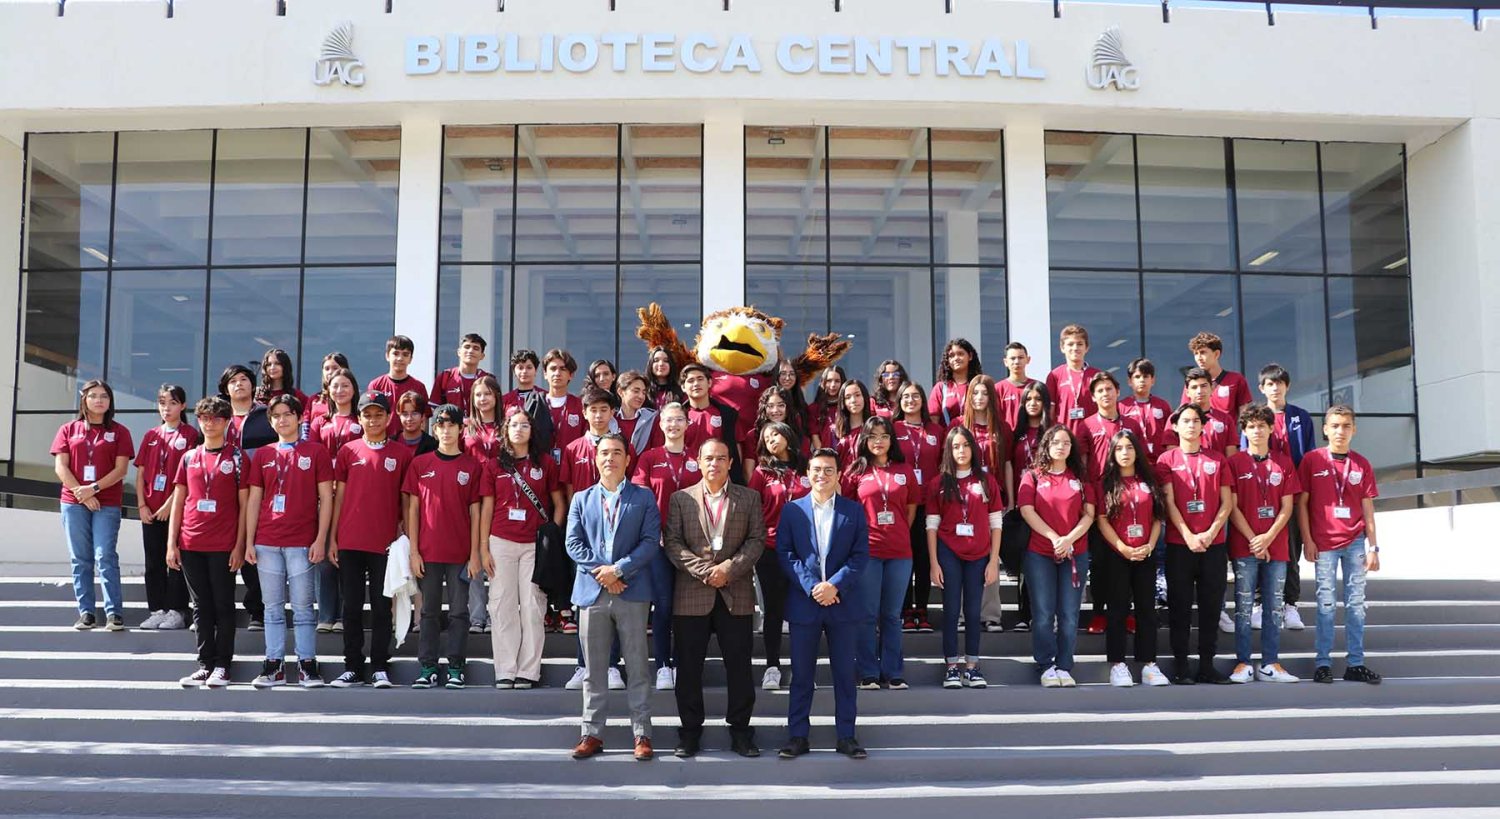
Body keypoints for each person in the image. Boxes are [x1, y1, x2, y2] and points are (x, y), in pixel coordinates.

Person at [662, 438, 766, 758]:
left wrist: (728, 569)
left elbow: (756, 539)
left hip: (735, 594)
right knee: (689, 669)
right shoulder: (681, 499)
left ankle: (740, 732)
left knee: (739, 668)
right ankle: (690, 733)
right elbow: (673, 543)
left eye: (721, 458)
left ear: (731, 463)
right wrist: (707, 571)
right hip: (692, 594)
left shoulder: (749, 498)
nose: (715, 464)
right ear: (698, 461)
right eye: (709, 458)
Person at [566, 433, 660, 762]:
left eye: (617, 453)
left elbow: (650, 542)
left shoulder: (643, 498)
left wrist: (618, 571)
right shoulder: (581, 499)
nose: (610, 458)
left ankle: (642, 734)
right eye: (604, 453)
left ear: (627, 459)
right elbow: (573, 544)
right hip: (592, 594)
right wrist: (603, 573)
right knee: (593, 669)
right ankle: (591, 734)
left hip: (631, 591)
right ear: (595, 459)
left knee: (637, 666)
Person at [777, 448, 869, 760]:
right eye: (816, 469)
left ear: (838, 475)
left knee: (845, 674)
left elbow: (860, 557)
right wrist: (813, 586)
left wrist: (834, 585)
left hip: (842, 603)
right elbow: (786, 554)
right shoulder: (792, 511)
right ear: (807, 474)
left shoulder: (853, 511)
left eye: (829, 470)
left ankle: (846, 735)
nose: (822, 475)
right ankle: (798, 736)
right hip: (806, 603)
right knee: (802, 675)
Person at [246, 394, 334, 688]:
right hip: (267, 541)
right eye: (276, 416)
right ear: (271, 422)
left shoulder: (316, 452)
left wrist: (321, 539)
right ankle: (274, 664)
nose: (282, 420)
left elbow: (326, 499)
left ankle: (307, 664)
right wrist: (249, 541)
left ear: (298, 417)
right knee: (271, 608)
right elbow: (254, 500)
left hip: (301, 541)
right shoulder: (263, 454)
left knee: (303, 608)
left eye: (287, 414)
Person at [327, 391, 412, 689]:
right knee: (350, 607)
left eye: (379, 414)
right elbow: (337, 500)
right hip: (350, 541)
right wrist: (333, 538)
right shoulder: (348, 451)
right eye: (367, 414)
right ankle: (352, 666)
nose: (373, 419)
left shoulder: (401, 454)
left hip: (385, 543)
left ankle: (379, 666)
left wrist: (405, 535)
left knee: (380, 606)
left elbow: (406, 500)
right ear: (359, 417)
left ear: (389, 417)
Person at [480, 407, 564, 690]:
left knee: (532, 606)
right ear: (505, 430)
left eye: (524, 425)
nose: (519, 430)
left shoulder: (546, 465)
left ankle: (528, 670)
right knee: (502, 605)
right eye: (514, 425)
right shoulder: (494, 465)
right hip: (500, 541)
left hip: (533, 544)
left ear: (532, 431)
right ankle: (505, 669)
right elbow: (487, 507)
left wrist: (552, 533)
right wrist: (482, 547)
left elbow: (559, 502)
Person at [1297, 405, 1382, 685]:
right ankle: (1323, 663)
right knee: (1326, 604)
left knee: (1356, 604)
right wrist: (1307, 540)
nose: (1340, 431)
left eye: (1346, 426)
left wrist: (1374, 547)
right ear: (1325, 429)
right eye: (1335, 426)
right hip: (1324, 544)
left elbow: (1368, 509)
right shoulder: (1311, 460)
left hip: (1356, 542)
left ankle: (1355, 663)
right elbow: (1302, 504)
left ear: (1354, 429)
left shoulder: (1362, 463)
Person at [166, 396, 247, 688]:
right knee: (200, 606)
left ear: (226, 422)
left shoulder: (237, 458)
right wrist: (171, 543)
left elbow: (245, 505)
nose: (209, 423)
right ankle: (204, 664)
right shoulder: (189, 457)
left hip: (224, 545)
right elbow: (179, 501)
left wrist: (240, 545)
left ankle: (223, 665)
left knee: (223, 605)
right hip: (190, 543)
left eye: (215, 418)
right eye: (204, 418)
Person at [403, 404, 483, 690]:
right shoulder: (420, 464)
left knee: (460, 612)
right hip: (428, 552)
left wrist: (475, 554)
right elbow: (412, 510)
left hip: (461, 554)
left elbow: (476, 513)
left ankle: (456, 667)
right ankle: (427, 666)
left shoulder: (472, 466)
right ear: (433, 429)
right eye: (441, 425)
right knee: (429, 612)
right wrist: (414, 551)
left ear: (461, 429)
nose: (446, 430)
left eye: (452, 425)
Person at [1157, 403, 1234, 685]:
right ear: (1175, 427)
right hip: (1180, 544)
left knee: (1211, 607)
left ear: (1203, 426)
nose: (1190, 425)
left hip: (1214, 545)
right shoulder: (1166, 461)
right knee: (1179, 607)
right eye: (1185, 421)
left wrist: (1212, 532)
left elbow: (1227, 503)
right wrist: (1188, 534)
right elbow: (1168, 502)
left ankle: (1206, 665)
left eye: (1195, 421)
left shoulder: (1217, 460)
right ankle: (1181, 666)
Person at [1226, 404, 1301, 684]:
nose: (1257, 430)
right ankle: (1243, 663)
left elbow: (1287, 506)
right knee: (1244, 607)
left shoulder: (1283, 462)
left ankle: (1271, 663)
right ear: (1244, 431)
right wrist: (1254, 539)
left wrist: (1268, 537)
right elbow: (1231, 507)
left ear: (1271, 428)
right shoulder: (1234, 463)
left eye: (1262, 425)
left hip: (1277, 545)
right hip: (1244, 546)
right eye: (1251, 426)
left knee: (1273, 607)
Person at [842, 416, 919, 690]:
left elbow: (910, 509)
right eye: (872, 436)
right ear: (864, 439)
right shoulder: (855, 472)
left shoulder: (904, 470)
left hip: (900, 551)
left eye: (884, 435)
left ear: (891, 440)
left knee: (892, 615)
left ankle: (893, 671)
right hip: (868, 552)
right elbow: (847, 512)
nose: (878, 441)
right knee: (867, 613)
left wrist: (895, 531)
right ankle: (868, 672)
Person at [630, 402, 702, 690]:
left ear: (687, 424)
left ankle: (683, 662)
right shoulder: (649, 458)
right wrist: (652, 533)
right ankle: (662, 664)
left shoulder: (698, 458)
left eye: (678, 420)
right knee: (662, 604)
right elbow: (642, 498)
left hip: (692, 545)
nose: (673, 425)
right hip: (658, 543)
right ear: (660, 425)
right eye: (668, 420)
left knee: (686, 607)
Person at [1017, 424, 1095, 688]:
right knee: (1042, 613)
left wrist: (1069, 540)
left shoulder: (1080, 478)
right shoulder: (1032, 475)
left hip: (1075, 553)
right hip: (1040, 552)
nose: (1062, 446)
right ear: (1047, 446)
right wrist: (1054, 538)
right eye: (1057, 442)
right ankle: (1046, 664)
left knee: (1070, 613)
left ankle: (1064, 665)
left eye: (1067, 443)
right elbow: (1027, 510)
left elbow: (1089, 515)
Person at [926, 426, 1004, 689]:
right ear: (949, 450)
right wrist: (934, 562)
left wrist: (994, 561)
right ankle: (951, 666)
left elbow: (996, 523)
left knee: (972, 611)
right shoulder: (938, 483)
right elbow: (931, 526)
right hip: (948, 551)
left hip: (979, 553)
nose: (961, 451)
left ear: (973, 448)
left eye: (965, 445)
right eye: (956, 446)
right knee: (950, 611)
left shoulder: (986, 480)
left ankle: (972, 666)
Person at [54, 379, 135, 631]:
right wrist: (82, 493)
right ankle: (86, 612)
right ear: (84, 400)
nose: (99, 400)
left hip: (106, 502)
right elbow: (60, 466)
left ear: (110, 402)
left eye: (104, 396)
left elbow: (121, 470)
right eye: (93, 395)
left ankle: (114, 613)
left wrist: (93, 489)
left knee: (105, 555)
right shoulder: (68, 429)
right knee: (80, 558)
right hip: (73, 502)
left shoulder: (120, 432)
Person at [561, 387, 628, 688]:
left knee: (613, 599)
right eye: (593, 410)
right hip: (584, 533)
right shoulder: (574, 448)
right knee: (585, 601)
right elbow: (566, 490)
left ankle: (612, 665)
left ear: (612, 412)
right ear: (584, 413)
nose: (598, 415)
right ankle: (582, 664)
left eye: (604, 409)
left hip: (615, 528)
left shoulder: (619, 446)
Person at [1095, 429, 1168, 687]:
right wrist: (1122, 548)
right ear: (1112, 453)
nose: (1125, 453)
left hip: (1145, 554)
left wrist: (1149, 544)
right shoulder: (1105, 483)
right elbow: (1101, 520)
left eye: (1129, 447)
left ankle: (1149, 664)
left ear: (1137, 451)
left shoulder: (1148, 482)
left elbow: (1157, 518)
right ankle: (1118, 664)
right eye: (1119, 448)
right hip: (1117, 555)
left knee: (1147, 611)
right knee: (1117, 610)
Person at [1079, 371, 1147, 636]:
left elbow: (1140, 460)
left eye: (1109, 389)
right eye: (1100, 391)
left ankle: (1127, 613)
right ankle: (1099, 613)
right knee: (1100, 562)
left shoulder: (1131, 423)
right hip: (1099, 499)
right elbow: (1082, 464)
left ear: (1118, 392)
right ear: (1093, 397)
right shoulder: (1086, 425)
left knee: (1129, 558)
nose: (1105, 394)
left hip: (1129, 498)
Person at [1251, 363, 1316, 631]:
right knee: (1259, 549)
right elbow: (1248, 456)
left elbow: (1310, 457)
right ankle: (1259, 605)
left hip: (1294, 494)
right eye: (1269, 383)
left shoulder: (1300, 417)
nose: (1275, 388)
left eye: (1279, 383)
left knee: (1290, 551)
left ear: (1287, 386)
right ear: (1262, 388)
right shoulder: (1255, 419)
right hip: (1262, 497)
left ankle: (1290, 605)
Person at [748, 421, 808, 690]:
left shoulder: (807, 468)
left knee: (801, 610)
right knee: (772, 611)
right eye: (767, 436)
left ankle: (802, 667)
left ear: (788, 435)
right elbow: (752, 510)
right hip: (770, 550)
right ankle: (772, 665)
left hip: (804, 551)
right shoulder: (762, 473)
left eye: (776, 433)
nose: (772, 439)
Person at [134, 384, 198, 631]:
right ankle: (157, 609)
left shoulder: (190, 435)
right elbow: (140, 474)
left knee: (175, 561)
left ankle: (176, 611)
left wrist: (170, 504)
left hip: (175, 510)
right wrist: (141, 505)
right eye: (162, 403)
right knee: (153, 562)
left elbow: (188, 477)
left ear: (182, 405)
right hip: (149, 510)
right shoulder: (151, 435)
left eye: (172, 403)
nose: (167, 408)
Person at [310, 367, 361, 632]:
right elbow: (314, 454)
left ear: (354, 389)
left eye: (345, 385)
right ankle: (326, 615)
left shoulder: (362, 419)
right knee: (324, 559)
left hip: (353, 495)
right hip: (324, 493)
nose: (340, 391)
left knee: (346, 556)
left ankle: (344, 614)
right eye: (335, 386)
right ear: (328, 390)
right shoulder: (321, 421)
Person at [218, 364, 269, 631]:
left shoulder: (264, 415)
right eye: (233, 380)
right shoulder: (217, 417)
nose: (239, 384)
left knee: (253, 554)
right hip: (221, 495)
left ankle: (257, 611)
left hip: (256, 493)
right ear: (226, 388)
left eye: (244, 379)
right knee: (222, 553)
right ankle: (218, 610)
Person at [1000, 381, 1052, 633]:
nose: (1033, 403)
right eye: (1028, 399)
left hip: (1046, 506)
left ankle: (1040, 614)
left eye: (1038, 399)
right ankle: (1024, 614)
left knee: (1040, 561)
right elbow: (1009, 465)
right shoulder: (1016, 432)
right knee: (1024, 561)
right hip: (1023, 505)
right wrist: (1010, 500)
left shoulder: (1051, 432)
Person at [893, 382, 943, 634]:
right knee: (903, 557)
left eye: (915, 396)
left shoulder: (936, 430)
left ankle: (921, 609)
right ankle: (903, 608)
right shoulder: (893, 429)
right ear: (899, 401)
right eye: (906, 397)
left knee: (924, 558)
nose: (911, 400)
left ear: (923, 401)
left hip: (929, 503)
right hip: (901, 503)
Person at [463, 374, 505, 635]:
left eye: (487, 393)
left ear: (496, 396)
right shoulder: (466, 426)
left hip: (500, 497)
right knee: (475, 556)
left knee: (497, 556)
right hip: (471, 496)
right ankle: (477, 616)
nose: (482, 399)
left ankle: (496, 614)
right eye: (478, 394)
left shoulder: (506, 425)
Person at [679, 363, 745, 482]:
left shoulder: (727, 414)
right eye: (691, 380)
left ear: (709, 382)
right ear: (683, 387)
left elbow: (737, 448)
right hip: (685, 478)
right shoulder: (677, 416)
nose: (696, 384)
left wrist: (734, 475)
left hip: (719, 478)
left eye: (700, 379)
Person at [1178, 331, 1253, 416]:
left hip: (1228, 428)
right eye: (1196, 353)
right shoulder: (1192, 383)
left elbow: (1245, 416)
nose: (1199, 358)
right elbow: (1185, 413)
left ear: (1216, 354)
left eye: (1203, 352)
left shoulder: (1236, 380)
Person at [367, 335, 426, 439]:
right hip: (384, 442)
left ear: (410, 359)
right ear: (387, 356)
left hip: (410, 443)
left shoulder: (419, 387)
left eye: (405, 354)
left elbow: (424, 420)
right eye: (395, 353)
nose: (400, 358)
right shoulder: (376, 385)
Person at [1046, 324, 1100, 438]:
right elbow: (1050, 412)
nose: (1075, 348)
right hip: (1064, 438)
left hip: (1092, 437)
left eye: (1079, 344)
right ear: (1062, 348)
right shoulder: (1054, 375)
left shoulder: (1096, 375)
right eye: (1070, 344)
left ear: (1087, 347)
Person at [500, 348, 556, 457]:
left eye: (529, 367)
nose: (524, 371)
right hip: (512, 455)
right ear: (514, 371)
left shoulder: (545, 397)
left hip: (539, 454)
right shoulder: (505, 400)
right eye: (520, 368)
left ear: (536, 370)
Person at [1176, 367, 1240, 459]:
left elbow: (1231, 457)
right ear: (1187, 392)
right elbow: (1172, 455)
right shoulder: (1177, 418)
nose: (1199, 391)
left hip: (1219, 472)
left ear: (1212, 388)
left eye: (1204, 386)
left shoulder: (1226, 419)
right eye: (1194, 387)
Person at [1119, 358, 1174, 460]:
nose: (1142, 380)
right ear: (1130, 381)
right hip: (1134, 463)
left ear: (1152, 380)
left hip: (1160, 462)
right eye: (1137, 377)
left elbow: (1171, 437)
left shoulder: (1162, 405)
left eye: (1145, 376)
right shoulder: (1121, 406)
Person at [429, 333, 490, 418]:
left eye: (476, 348)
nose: (470, 351)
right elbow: (435, 410)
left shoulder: (488, 380)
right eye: (467, 347)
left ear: (482, 356)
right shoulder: (445, 376)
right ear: (459, 352)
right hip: (451, 429)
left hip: (478, 429)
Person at [542, 348, 585, 464]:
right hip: (541, 471)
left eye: (563, 369)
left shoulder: (580, 406)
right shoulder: (536, 404)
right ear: (545, 374)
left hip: (571, 469)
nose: (557, 373)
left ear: (571, 375)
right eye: (553, 369)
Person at [613, 370, 658, 470]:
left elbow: (656, 454)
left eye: (644, 392)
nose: (641, 396)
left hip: (643, 479)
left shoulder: (652, 419)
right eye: (636, 391)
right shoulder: (610, 419)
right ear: (621, 392)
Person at [828, 379, 872, 464]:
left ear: (865, 397)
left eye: (857, 395)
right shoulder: (834, 430)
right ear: (843, 402)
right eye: (848, 397)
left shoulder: (873, 428)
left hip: (867, 476)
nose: (853, 400)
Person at [995, 342, 1033, 432]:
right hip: (1007, 440)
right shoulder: (998, 389)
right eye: (1012, 358)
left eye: (1020, 357)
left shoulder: (1036, 387)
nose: (1016, 361)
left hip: (1032, 440)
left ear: (1028, 360)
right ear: (1005, 362)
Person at [304, 352, 353, 421]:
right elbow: (306, 425)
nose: (330, 372)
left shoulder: (351, 398)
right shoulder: (314, 399)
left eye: (335, 368)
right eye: (327, 369)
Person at [808, 366, 845, 449]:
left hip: (846, 457)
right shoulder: (813, 408)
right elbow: (815, 438)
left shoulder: (847, 406)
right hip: (824, 457)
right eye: (829, 381)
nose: (833, 385)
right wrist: (824, 456)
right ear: (823, 383)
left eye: (837, 381)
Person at [394, 391, 438, 457]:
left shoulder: (434, 446)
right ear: (399, 416)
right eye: (405, 414)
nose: (409, 418)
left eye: (414, 413)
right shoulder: (391, 443)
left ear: (423, 416)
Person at [645, 345, 686, 410]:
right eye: (656, 360)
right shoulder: (644, 391)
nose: (661, 364)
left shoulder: (681, 392)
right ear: (651, 365)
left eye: (666, 360)